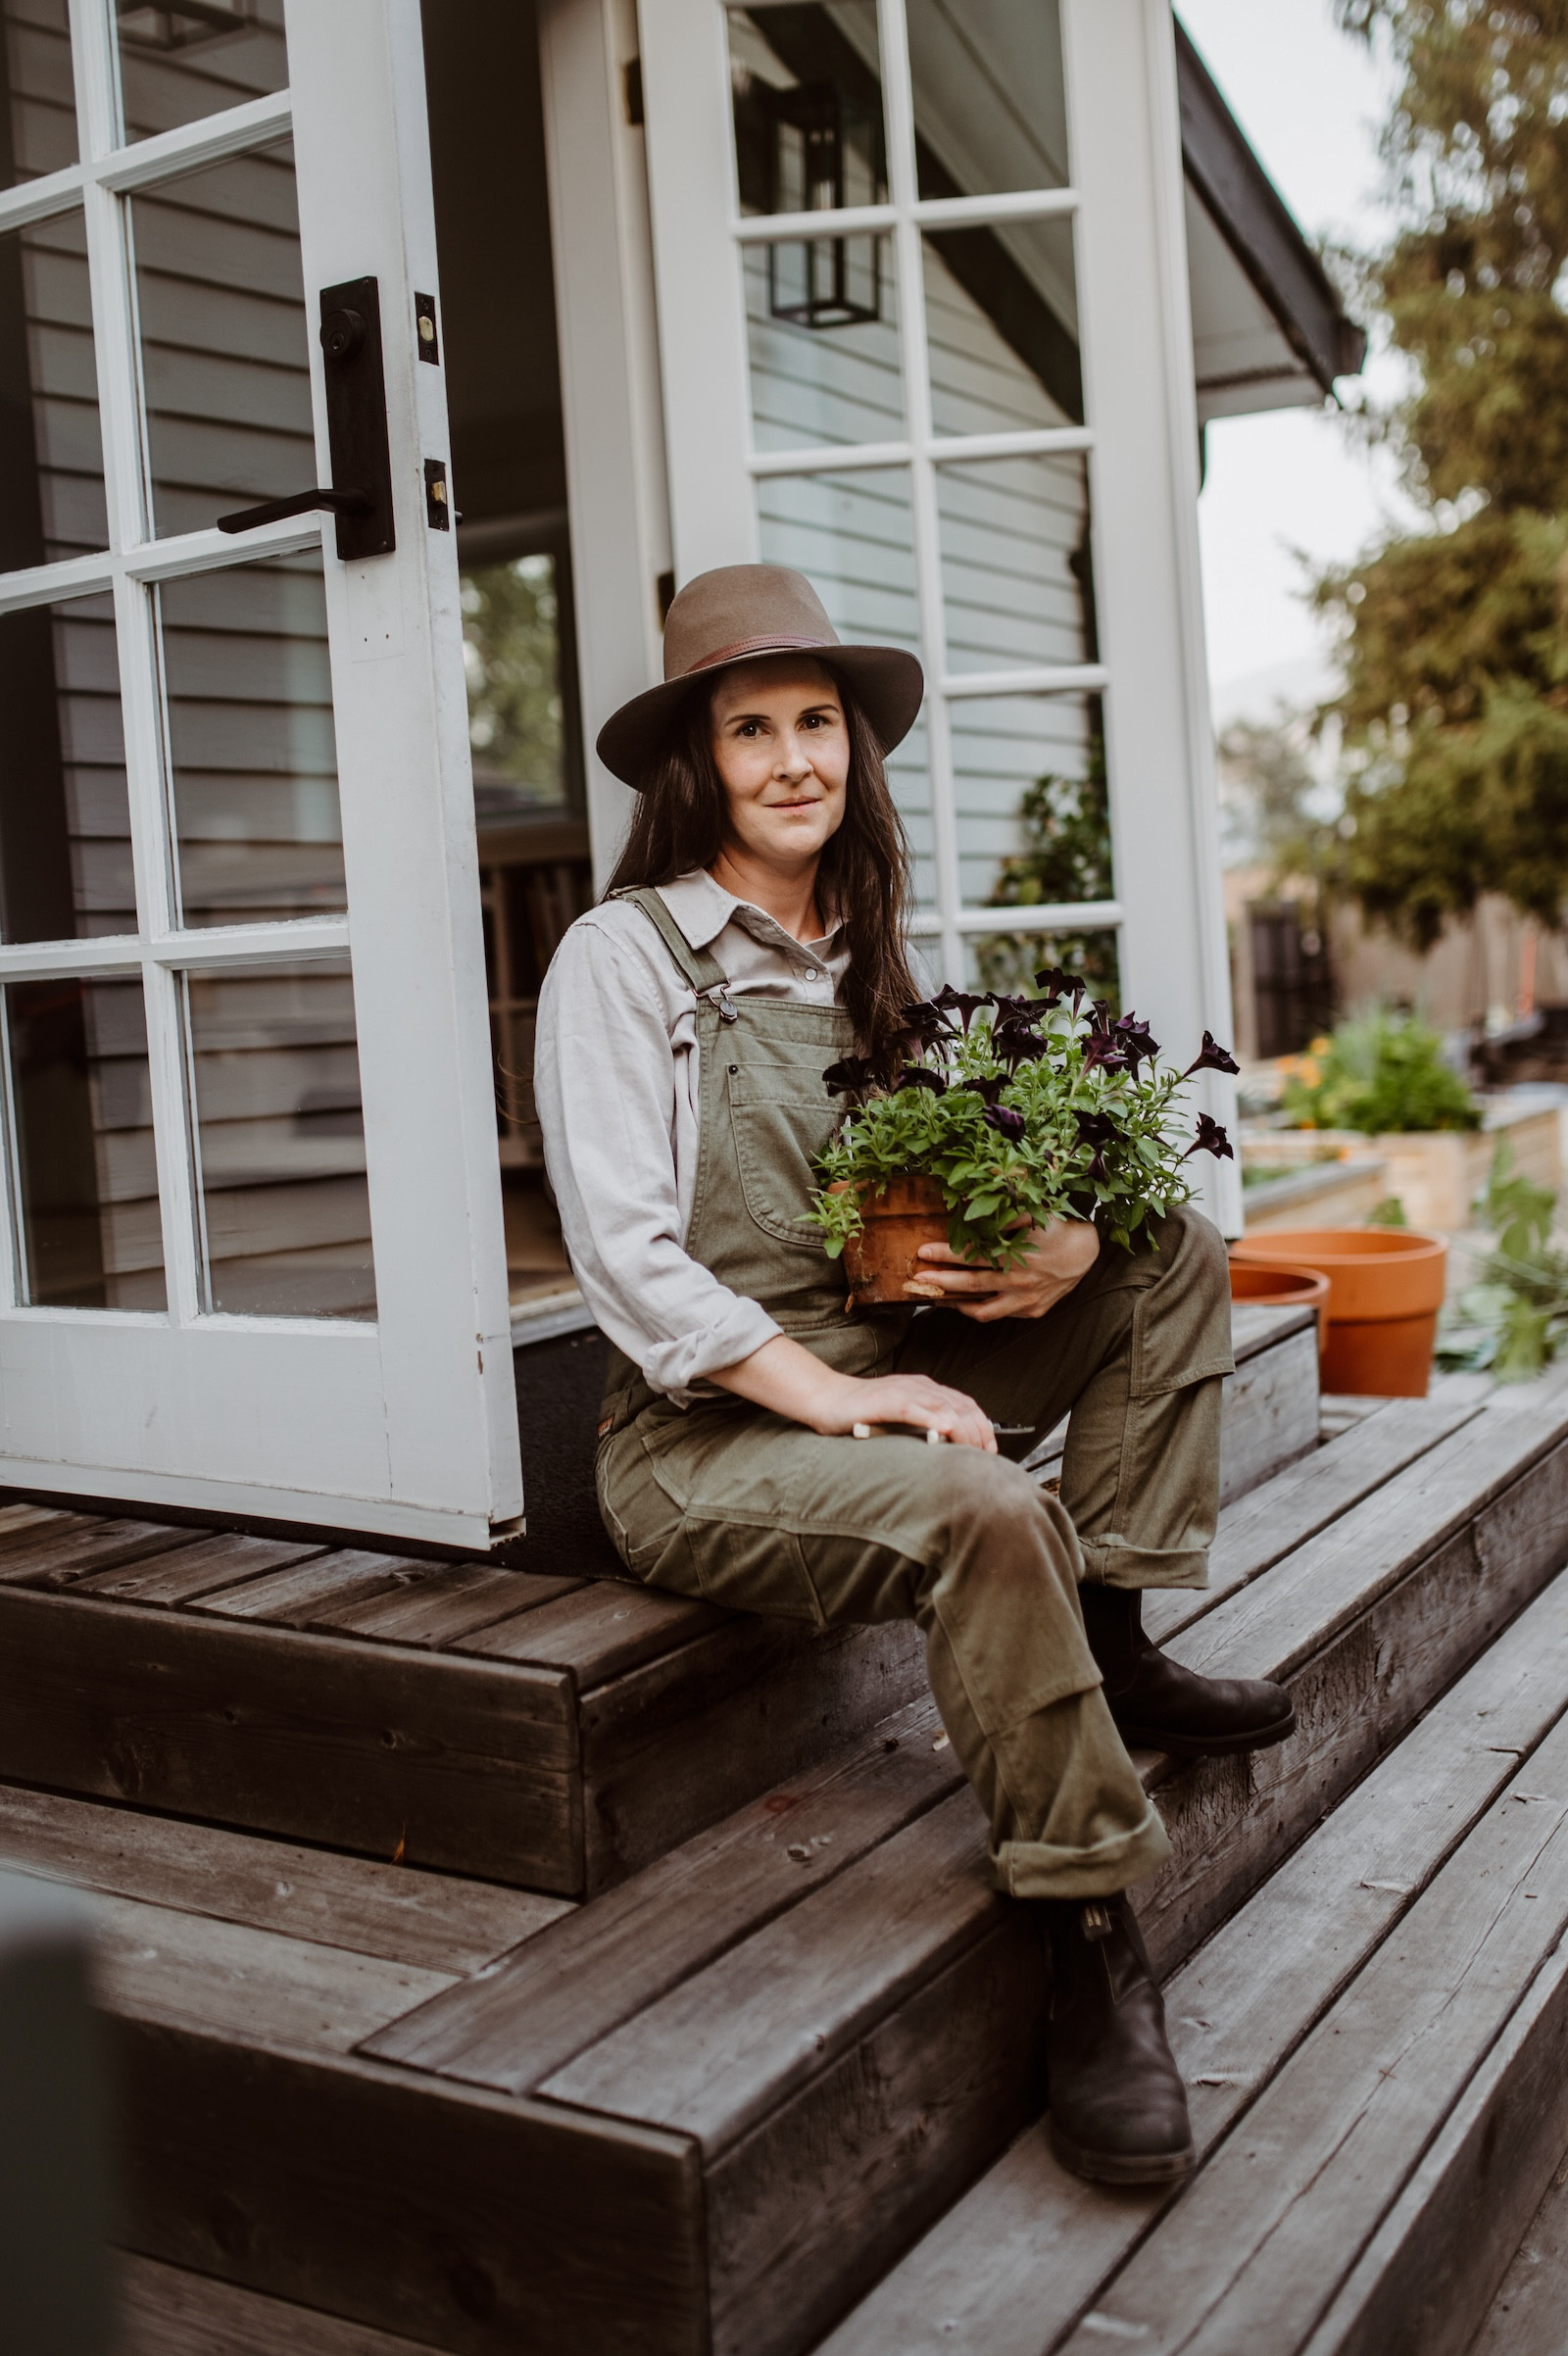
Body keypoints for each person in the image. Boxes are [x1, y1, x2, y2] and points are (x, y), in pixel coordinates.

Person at [534, 564, 1293, 2185]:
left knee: (1170, 1253)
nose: (797, 757)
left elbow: (974, 1191)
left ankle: (1114, 1635)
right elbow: (627, 1264)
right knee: (984, 1505)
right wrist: (849, 1396)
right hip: (704, 1442)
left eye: (821, 724)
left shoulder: (872, 957)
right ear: (698, 765)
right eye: (755, 729)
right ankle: (1087, 1931)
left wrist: (1064, 1240)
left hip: (886, 1363)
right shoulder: (625, 962)